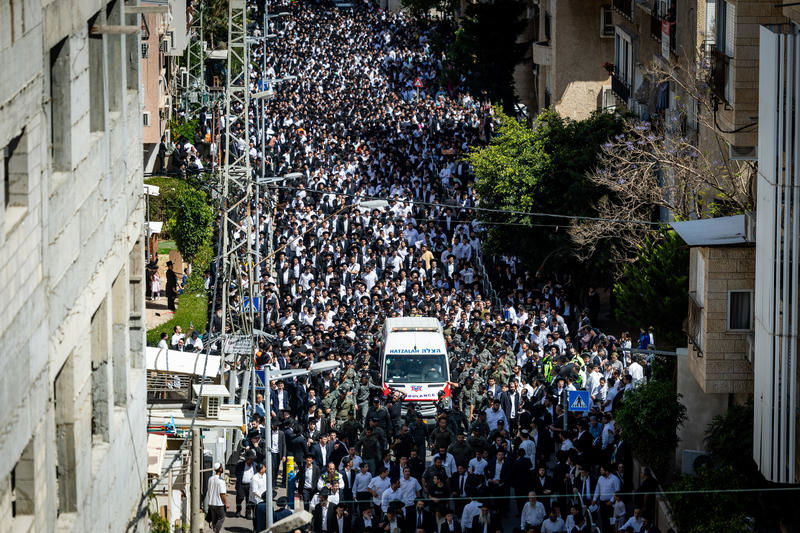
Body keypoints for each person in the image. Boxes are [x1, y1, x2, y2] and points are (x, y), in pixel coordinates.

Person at [205, 463, 227, 533]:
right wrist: (226, 503)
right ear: (220, 469)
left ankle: (215, 529)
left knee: (214, 519)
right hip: (219, 504)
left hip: (211, 503)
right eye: (222, 467)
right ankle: (216, 531)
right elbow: (222, 494)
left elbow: (209, 490)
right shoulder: (221, 480)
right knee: (222, 518)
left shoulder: (210, 478)